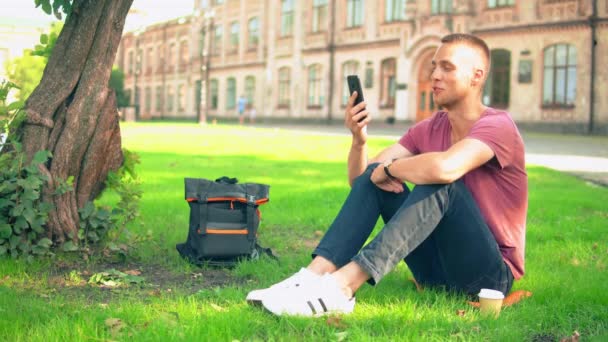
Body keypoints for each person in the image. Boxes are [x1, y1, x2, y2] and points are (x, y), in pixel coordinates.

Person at [247, 33, 528, 317]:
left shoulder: (498, 126)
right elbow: (364, 183)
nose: (435, 75)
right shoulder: (429, 128)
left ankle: (342, 288)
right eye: (433, 66)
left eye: (447, 67)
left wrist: (391, 169)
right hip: (433, 273)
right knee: (378, 176)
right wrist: (359, 141)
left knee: (443, 185)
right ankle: (312, 276)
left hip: (488, 279)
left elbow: (445, 168)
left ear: (476, 76)